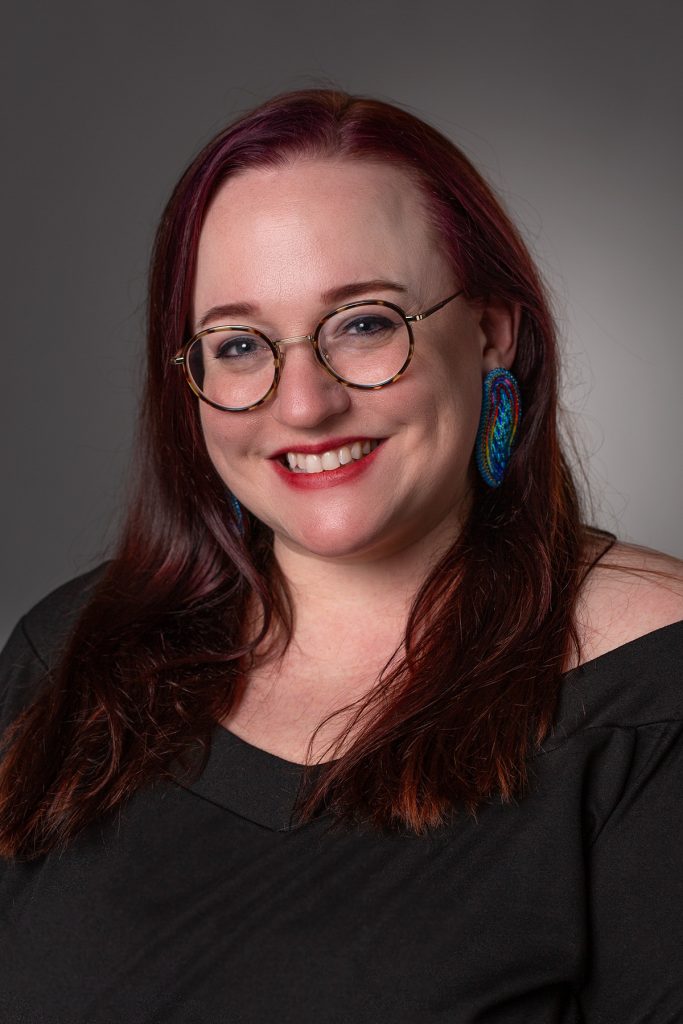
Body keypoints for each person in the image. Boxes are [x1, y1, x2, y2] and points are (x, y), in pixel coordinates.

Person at [0, 89, 681, 1024]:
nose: (304, 405)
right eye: (238, 344)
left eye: (364, 323)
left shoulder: (657, 702)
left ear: (492, 331)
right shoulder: (71, 649)